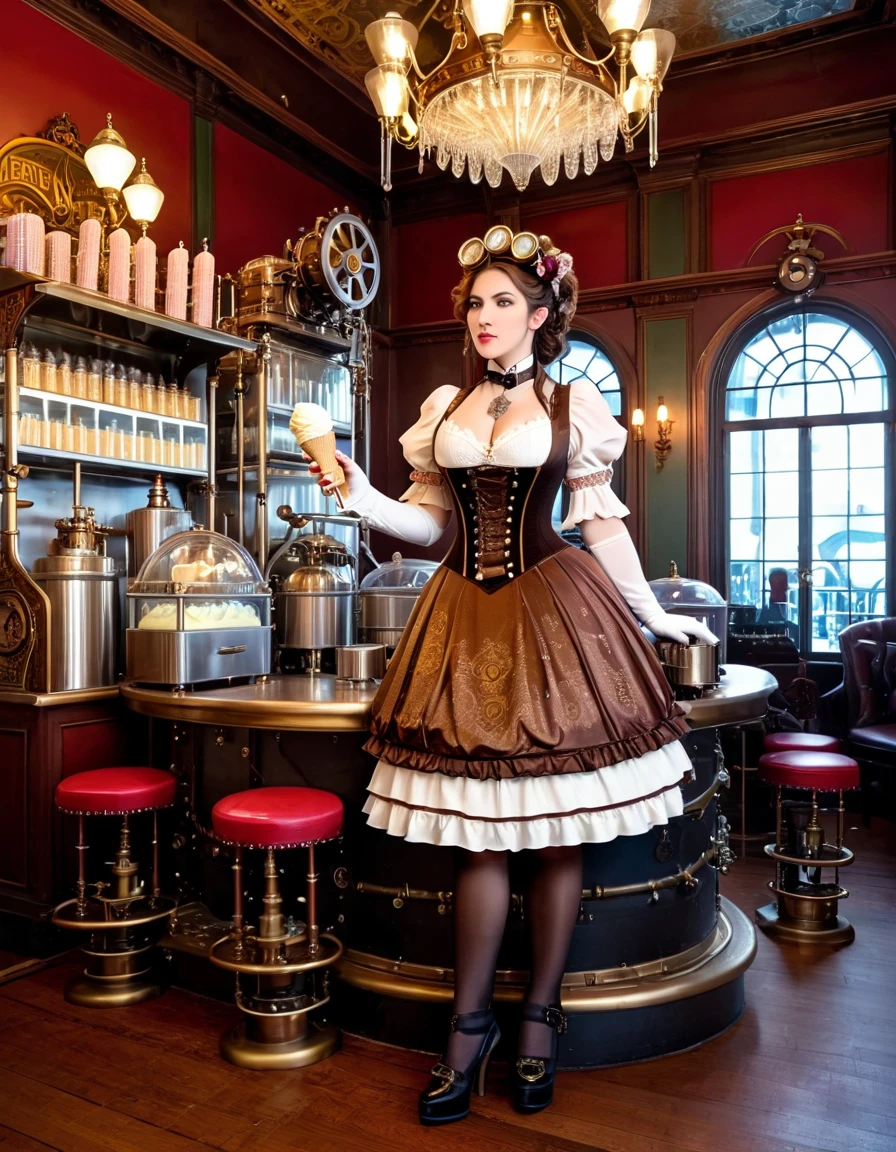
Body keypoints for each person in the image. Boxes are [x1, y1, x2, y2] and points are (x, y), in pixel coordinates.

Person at [300, 226, 716, 1126]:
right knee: (481, 841)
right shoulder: (446, 407)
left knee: (556, 836)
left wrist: (652, 615)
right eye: (476, 304)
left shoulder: (574, 404)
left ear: (539, 313)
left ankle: (537, 1019)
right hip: (459, 616)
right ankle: (469, 1024)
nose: (484, 317)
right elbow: (424, 526)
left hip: (554, 612)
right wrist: (356, 493)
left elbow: (600, 528)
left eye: (503, 302)